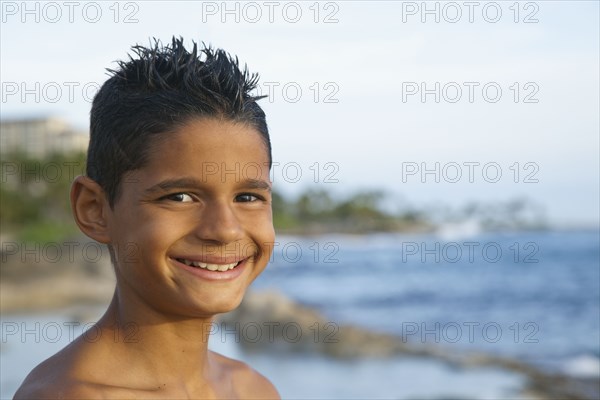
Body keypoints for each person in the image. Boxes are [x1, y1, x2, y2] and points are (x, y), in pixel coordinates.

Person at [14, 37, 280, 399]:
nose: (225, 229)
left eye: (247, 197)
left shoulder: (253, 389)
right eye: (180, 196)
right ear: (94, 210)